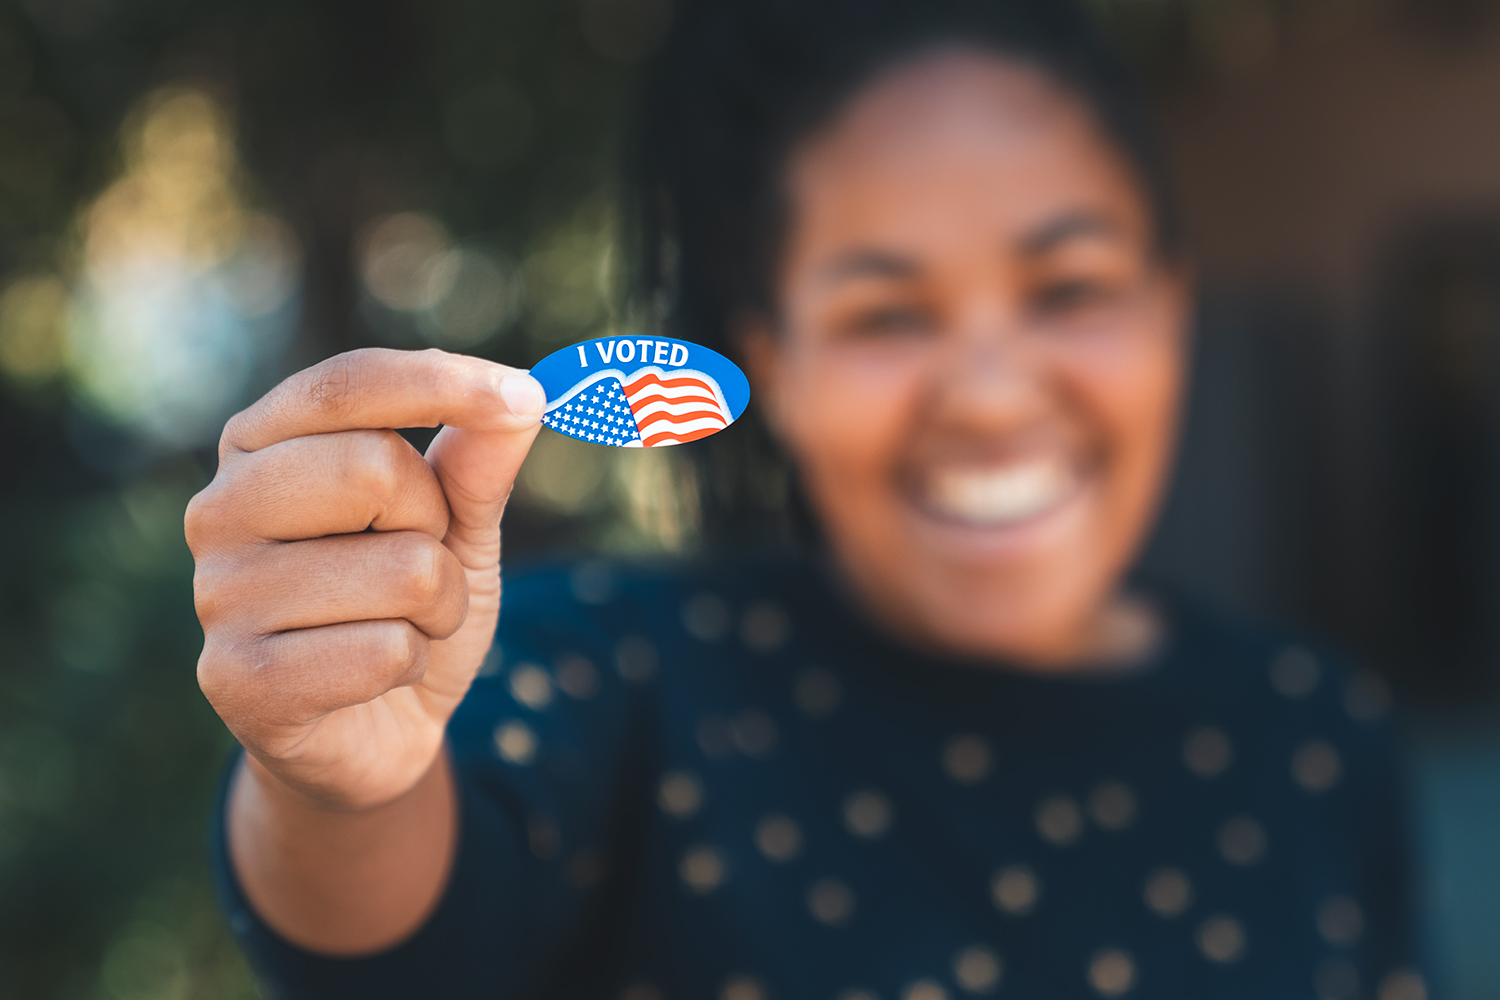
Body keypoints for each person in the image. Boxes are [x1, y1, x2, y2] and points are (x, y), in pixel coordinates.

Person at [186, 1, 1423, 997]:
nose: (991, 396)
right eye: (885, 314)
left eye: (1070, 289)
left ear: (1170, 304)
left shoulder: (1317, 730)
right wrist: (339, 782)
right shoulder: (616, 671)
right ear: (768, 362)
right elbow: (395, 926)